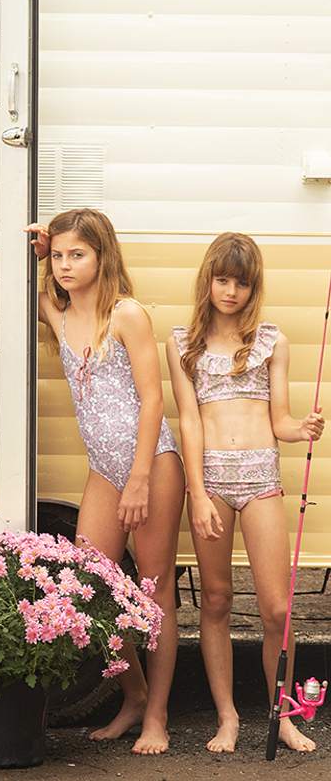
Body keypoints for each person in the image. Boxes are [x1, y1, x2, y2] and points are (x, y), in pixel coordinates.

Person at [26, 209, 185, 755]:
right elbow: (27, 282)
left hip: (152, 464)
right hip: (103, 469)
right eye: (63, 256)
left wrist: (140, 477)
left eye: (79, 255)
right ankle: (134, 695)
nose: (68, 266)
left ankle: (158, 717)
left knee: (154, 588)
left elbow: (154, 399)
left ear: (102, 256)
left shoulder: (127, 315)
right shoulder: (59, 310)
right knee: (93, 586)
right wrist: (41, 251)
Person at [166, 232, 324, 754]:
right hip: (210, 482)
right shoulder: (183, 343)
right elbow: (189, 420)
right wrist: (197, 492)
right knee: (215, 600)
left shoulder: (271, 341)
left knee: (277, 607)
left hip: (261, 481)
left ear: (253, 288)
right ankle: (228, 717)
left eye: (242, 282)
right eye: (222, 279)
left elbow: (278, 418)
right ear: (208, 280)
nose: (230, 290)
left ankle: (280, 715)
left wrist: (301, 428)